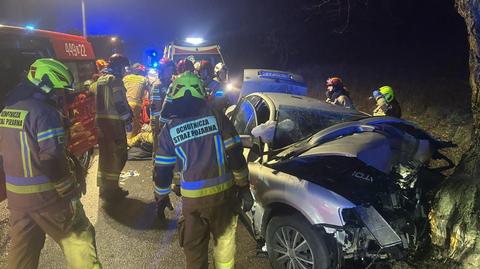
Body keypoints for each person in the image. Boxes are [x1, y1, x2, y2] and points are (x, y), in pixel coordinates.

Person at [0, 58, 101, 268]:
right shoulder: (45, 113)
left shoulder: (8, 110)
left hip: (18, 198)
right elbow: (52, 158)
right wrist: (68, 191)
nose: (59, 94)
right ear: (46, 84)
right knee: (80, 238)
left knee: (23, 250)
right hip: (47, 197)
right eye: (57, 89)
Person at [153, 72, 253, 269]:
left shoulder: (169, 130)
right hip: (223, 199)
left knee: (195, 251)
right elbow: (235, 155)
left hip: (193, 204)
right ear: (202, 95)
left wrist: (161, 196)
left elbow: (163, 170)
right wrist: (243, 187)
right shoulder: (218, 118)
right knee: (224, 247)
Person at [95, 54, 131, 200]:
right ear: (118, 66)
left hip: (101, 123)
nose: (124, 71)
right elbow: (119, 102)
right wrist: (127, 120)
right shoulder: (115, 80)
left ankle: (103, 186)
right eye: (123, 67)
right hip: (114, 123)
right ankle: (112, 189)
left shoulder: (101, 79)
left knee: (106, 155)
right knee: (118, 155)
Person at [123, 63, 149, 138]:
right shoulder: (143, 79)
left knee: (125, 125)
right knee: (135, 125)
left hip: (124, 104)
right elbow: (150, 90)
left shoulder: (125, 78)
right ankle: (131, 142)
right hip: (135, 105)